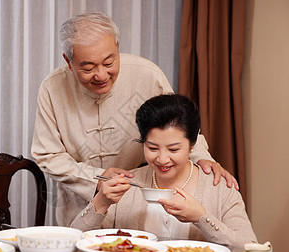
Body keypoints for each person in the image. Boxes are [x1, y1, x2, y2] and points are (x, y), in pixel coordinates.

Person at [31, 12, 237, 227]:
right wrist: (97, 178)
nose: (101, 75)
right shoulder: (53, 87)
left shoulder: (147, 74)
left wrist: (203, 157)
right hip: (80, 207)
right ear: (69, 61)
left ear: (118, 49)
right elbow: (48, 154)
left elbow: (176, 124)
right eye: (88, 68)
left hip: (138, 203)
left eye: (109, 62)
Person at [71, 94, 257, 249]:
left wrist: (202, 218)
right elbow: (76, 242)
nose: (161, 159)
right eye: (152, 148)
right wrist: (101, 202)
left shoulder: (219, 187)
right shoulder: (127, 184)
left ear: (193, 144)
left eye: (174, 149)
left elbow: (249, 249)